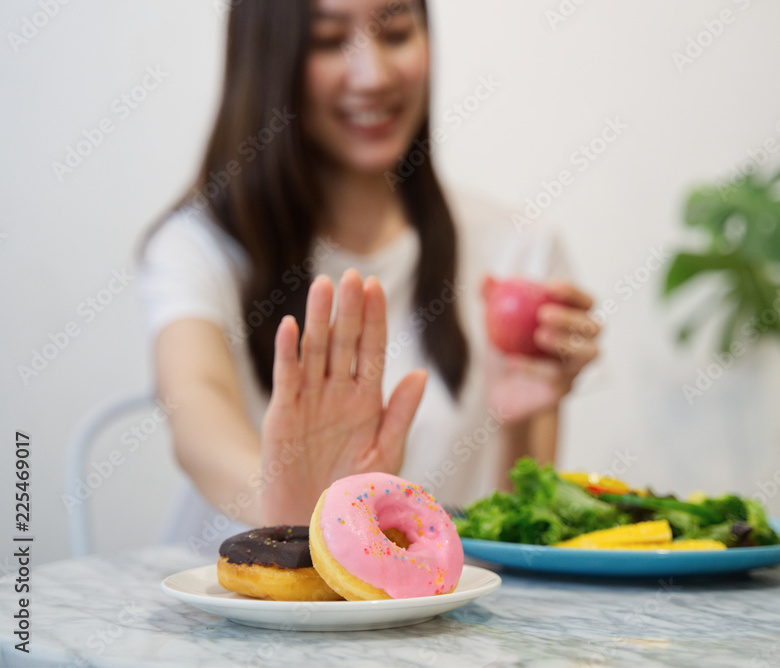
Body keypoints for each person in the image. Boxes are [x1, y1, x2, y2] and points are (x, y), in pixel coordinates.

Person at [138, 0, 600, 548]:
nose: (374, 75)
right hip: (238, 611)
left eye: (398, 32)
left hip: (419, 624)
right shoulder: (201, 245)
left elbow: (516, 542)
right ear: (267, 59)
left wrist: (528, 412)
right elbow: (195, 409)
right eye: (330, 41)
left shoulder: (518, 251)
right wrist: (290, 506)